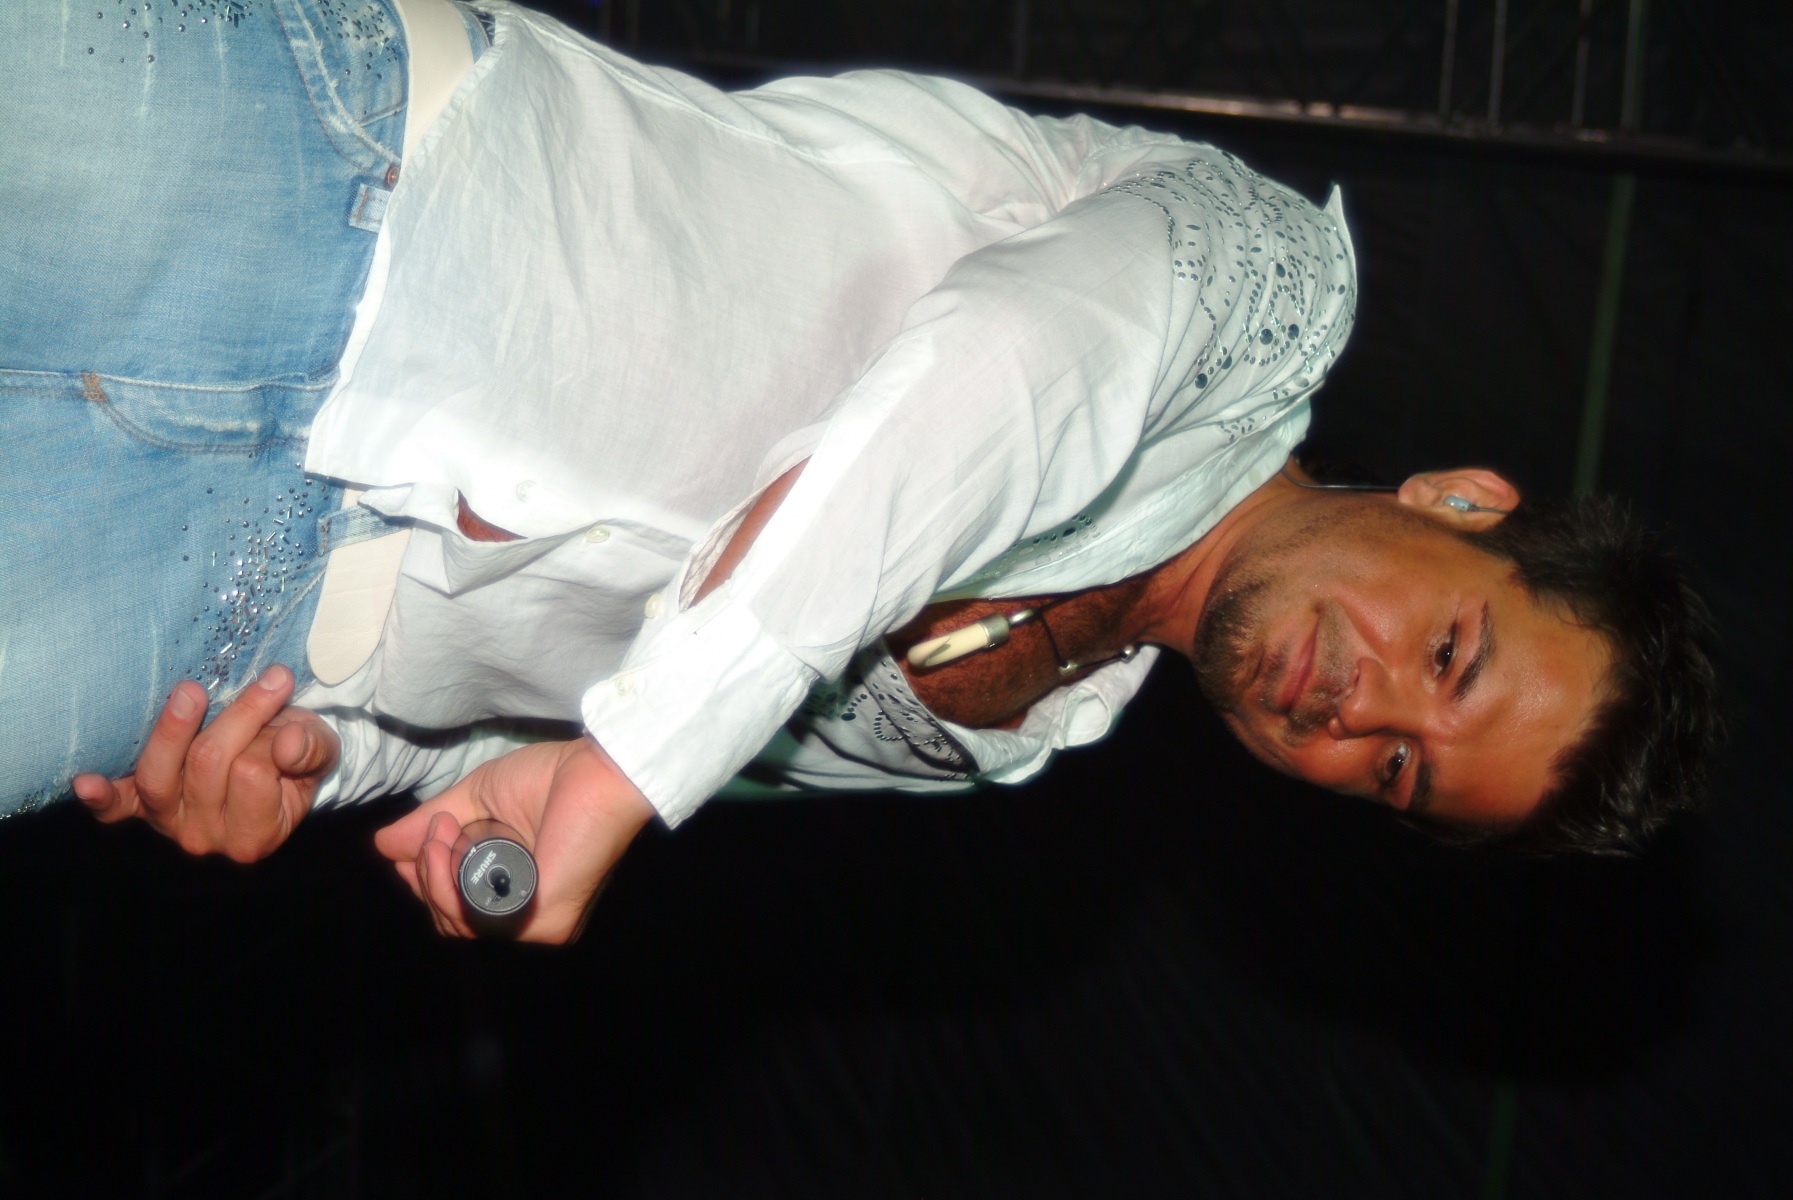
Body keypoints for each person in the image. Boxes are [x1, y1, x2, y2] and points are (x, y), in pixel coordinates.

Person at [3, 0, 1715, 943]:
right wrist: (638, 772)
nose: (1362, 710)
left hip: (240, 609)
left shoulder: (987, 748)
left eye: (1400, 774)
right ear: (1460, 505)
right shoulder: (1259, 298)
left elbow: (523, 734)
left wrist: (316, 757)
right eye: (1449, 656)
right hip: (330, 195)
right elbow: (996, 380)